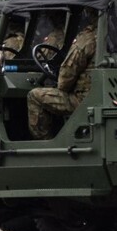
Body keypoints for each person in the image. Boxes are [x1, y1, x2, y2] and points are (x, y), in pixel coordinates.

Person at [26, 12, 97, 140]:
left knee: (34, 96)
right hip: (103, 97)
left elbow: (66, 77)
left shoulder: (88, 39)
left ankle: (45, 143)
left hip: (83, 100)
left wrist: (61, 85)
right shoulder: (115, 38)